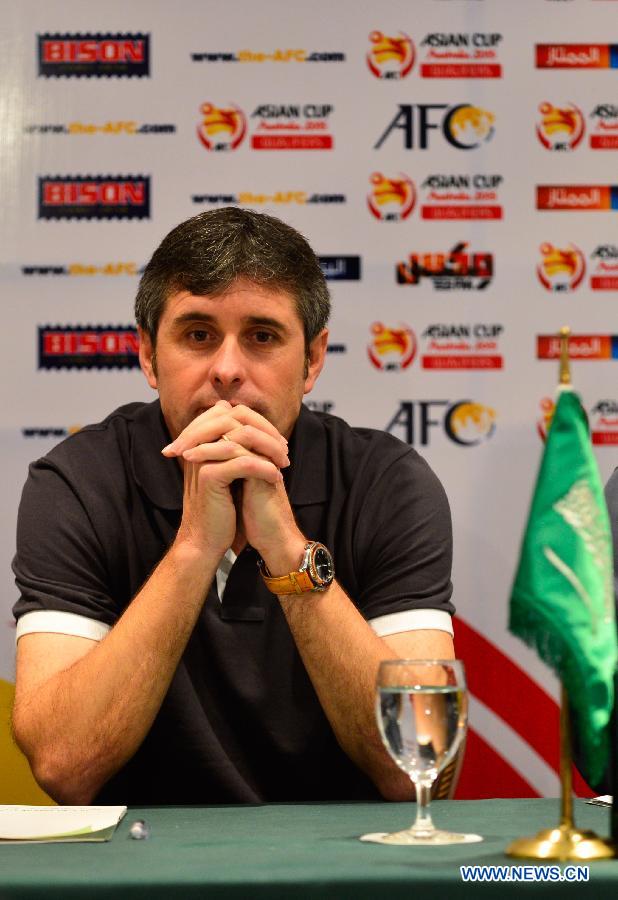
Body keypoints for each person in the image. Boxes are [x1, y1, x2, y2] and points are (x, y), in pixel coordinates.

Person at [11, 207, 455, 805]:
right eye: (197, 335)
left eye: (262, 337)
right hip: (141, 872)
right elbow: (63, 764)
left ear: (313, 360)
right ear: (147, 356)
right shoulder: (77, 483)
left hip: (344, 867)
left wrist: (288, 552)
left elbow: (425, 766)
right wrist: (194, 549)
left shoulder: (388, 483)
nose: (226, 370)